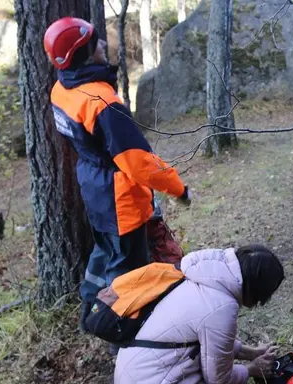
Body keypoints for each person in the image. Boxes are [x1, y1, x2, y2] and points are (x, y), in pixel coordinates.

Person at [42, 18, 192, 328]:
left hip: (94, 189)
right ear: (83, 53)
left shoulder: (61, 89)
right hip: (119, 197)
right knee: (130, 271)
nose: (100, 45)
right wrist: (179, 188)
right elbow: (138, 161)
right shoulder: (102, 102)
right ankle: (121, 332)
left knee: (104, 251)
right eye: (93, 43)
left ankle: (89, 309)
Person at [114, 245, 286, 384]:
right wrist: (251, 369)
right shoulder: (222, 307)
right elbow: (218, 379)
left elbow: (209, 342)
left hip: (132, 380)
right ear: (257, 288)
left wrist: (252, 353)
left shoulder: (204, 279)